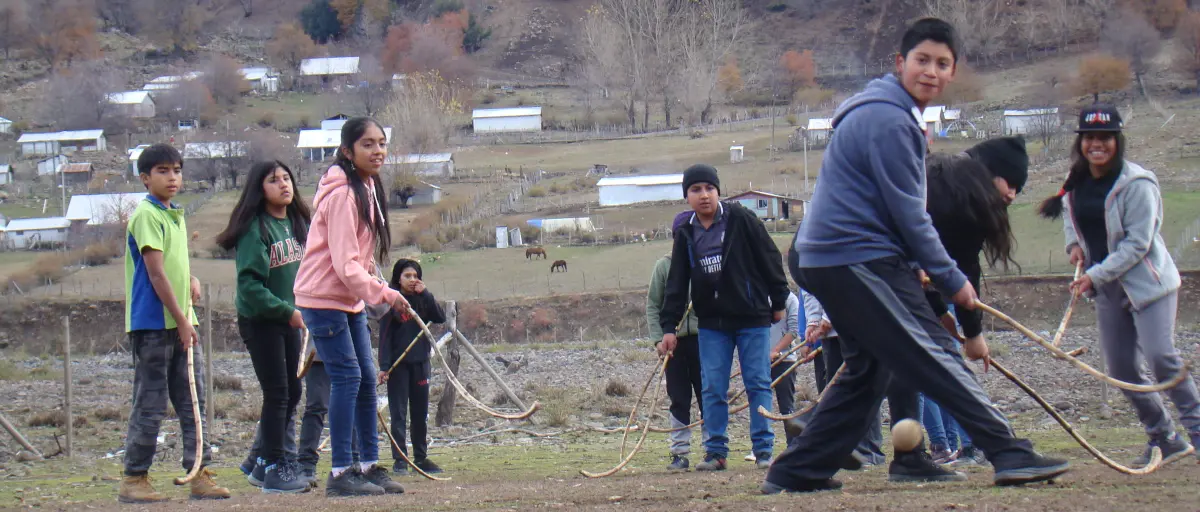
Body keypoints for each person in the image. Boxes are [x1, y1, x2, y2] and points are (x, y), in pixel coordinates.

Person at [763, 18, 1068, 494]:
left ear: (952, 72)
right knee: (935, 350)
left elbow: (892, 208)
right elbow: (910, 214)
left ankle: (797, 470)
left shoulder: (882, 113)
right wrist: (950, 279)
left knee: (871, 367)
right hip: (856, 257)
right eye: (922, 60)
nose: (931, 71)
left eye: (941, 63)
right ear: (901, 63)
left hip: (832, 257)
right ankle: (1008, 452)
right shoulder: (890, 120)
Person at [1038, 104, 1199, 464]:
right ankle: (1164, 437)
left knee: (1161, 359)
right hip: (1109, 290)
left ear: (1117, 141)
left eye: (1105, 138)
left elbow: (1138, 245)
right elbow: (1071, 218)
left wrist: (1095, 273)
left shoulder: (1138, 184)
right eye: (1090, 138)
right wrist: (1074, 246)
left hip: (1150, 285)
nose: (1098, 145)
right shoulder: (1075, 183)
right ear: (1081, 143)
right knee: (1122, 369)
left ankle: (1198, 428)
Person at [293, 117, 408, 497]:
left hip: (350, 299)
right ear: (347, 151)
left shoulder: (367, 186)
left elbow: (360, 256)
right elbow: (344, 265)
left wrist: (374, 281)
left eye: (381, 143)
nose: (378, 151)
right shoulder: (343, 194)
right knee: (347, 377)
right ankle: (340, 472)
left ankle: (367, 465)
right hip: (324, 299)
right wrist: (387, 294)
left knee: (366, 376)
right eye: (368, 145)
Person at [658, 163, 790, 472]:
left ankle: (763, 450)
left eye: (709, 188)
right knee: (712, 387)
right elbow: (677, 283)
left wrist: (779, 299)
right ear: (687, 196)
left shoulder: (742, 219)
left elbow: (769, 257)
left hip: (752, 316)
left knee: (757, 382)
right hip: (712, 323)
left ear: (718, 191)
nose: (704, 195)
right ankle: (716, 452)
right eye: (696, 190)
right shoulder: (686, 233)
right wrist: (669, 327)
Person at [118, 144, 230, 503]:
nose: (172, 178)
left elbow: (174, 268)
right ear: (145, 177)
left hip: (181, 318)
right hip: (155, 324)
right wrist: (182, 320)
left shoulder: (173, 214)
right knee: (150, 402)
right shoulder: (147, 215)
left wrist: (192, 280)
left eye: (177, 170)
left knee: (192, 401)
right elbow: (155, 273)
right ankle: (135, 478)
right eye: (163, 171)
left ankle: (199, 471)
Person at [919, 136, 1031, 467]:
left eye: (1019, 189)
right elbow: (962, 269)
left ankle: (812, 448)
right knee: (941, 364)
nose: (1012, 194)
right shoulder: (962, 191)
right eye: (1010, 183)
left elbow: (929, 263)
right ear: (990, 172)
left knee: (881, 368)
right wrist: (974, 335)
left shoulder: (942, 177)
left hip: (871, 272)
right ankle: (1000, 446)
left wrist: (942, 314)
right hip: (874, 273)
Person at [216, 161, 312, 494]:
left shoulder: (298, 223)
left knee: (294, 391)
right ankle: (274, 467)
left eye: (287, 178)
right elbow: (250, 288)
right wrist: (287, 311)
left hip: (290, 318)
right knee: (278, 393)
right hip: (262, 320)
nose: (284, 184)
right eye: (274, 180)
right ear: (260, 188)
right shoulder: (256, 229)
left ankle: (260, 463)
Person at [379, 259, 446, 475]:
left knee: (420, 413)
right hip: (398, 366)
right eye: (407, 276)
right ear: (398, 278)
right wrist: (384, 367)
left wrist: (426, 294)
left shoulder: (422, 300)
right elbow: (385, 337)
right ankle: (400, 459)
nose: (412, 280)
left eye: (415, 276)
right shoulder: (392, 301)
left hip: (420, 363)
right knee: (398, 414)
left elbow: (439, 317)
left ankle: (421, 458)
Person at [647, 241, 705, 472]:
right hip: (674, 342)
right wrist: (658, 339)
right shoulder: (663, 267)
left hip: (705, 340)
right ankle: (679, 453)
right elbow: (653, 305)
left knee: (708, 394)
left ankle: (714, 450)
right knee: (678, 398)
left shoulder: (704, 263)